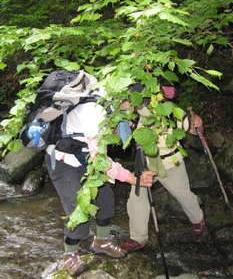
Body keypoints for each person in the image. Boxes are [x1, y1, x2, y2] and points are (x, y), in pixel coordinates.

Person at [45, 83, 156, 276]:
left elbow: (104, 144)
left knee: (105, 200)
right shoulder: (95, 111)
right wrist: (131, 178)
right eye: (134, 106)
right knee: (79, 210)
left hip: (86, 155)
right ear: (125, 99)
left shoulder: (112, 103)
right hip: (64, 160)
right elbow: (101, 160)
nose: (133, 110)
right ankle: (70, 254)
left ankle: (102, 241)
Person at [120, 87, 206, 252]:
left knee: (183, 194)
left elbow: (193, 129)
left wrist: (196, 123)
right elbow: (120, 132)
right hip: (144, 163)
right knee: (137, 197)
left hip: (171, 161)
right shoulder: (130, 112)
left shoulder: (171, 111)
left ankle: (198, 219)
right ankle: (138, 238)